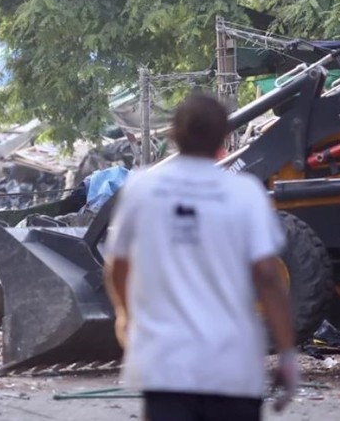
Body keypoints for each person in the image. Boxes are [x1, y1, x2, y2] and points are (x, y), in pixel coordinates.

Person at [104, 93, 298, 421]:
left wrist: (127, 317)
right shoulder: (245, 192)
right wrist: (288, 355)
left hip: (166, 364)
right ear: (223, 137)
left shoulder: (142, 188)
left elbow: (118, 267)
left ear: (173, 133)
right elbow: (267, 276)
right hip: (233, 365)